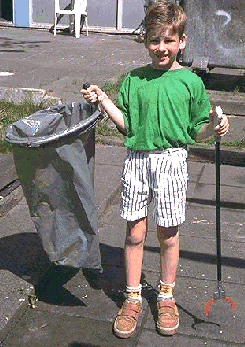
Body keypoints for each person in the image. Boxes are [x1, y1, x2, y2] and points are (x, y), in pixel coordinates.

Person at [81, 1, 229, 339]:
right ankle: (132, 297)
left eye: (168, 41)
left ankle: (165, 295)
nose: (161, 48)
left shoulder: (191, 82)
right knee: (134, 232)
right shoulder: (134, 79)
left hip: (173, 161)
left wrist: (215, 127)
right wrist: (104, 100)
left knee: (168, 234)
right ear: (145, 41)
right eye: (153, 41)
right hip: (137, 159)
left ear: (182, 41)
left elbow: (197, 130)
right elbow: (126, 126)